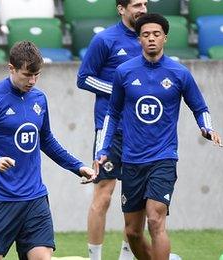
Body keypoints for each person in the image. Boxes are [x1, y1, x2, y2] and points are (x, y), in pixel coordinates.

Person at [0, 41, 97, 260]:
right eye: (26, 74)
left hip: (34, 198)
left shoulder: (39, 99)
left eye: (36, 75)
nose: (32, 81)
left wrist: (77, 166)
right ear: (11, 68)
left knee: (41, 258)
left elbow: (46, 140)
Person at [95, 13, 222, 260]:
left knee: (155, 218)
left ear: (164, 37)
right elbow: (112, 113)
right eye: (145, 35)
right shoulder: (124, 72)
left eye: (156, 34)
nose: (151, 38)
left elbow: (200, 107)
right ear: (139, 39)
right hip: (131, 160)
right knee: (132, 232)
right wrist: (103, 149)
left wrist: (207, 128)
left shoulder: (179, 73)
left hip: (163, 157)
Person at [76, 1, 147, 259]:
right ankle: (95, 257)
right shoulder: (105, 39)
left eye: (145, 3)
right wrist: (119, 90)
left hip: (141, 133)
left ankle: (126, 257)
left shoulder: (148, 39)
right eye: (137, 4)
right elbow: (83, 77)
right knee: (104, 194)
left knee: (136, 199)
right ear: (121, 8)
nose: (142, 8)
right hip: (109, 128)